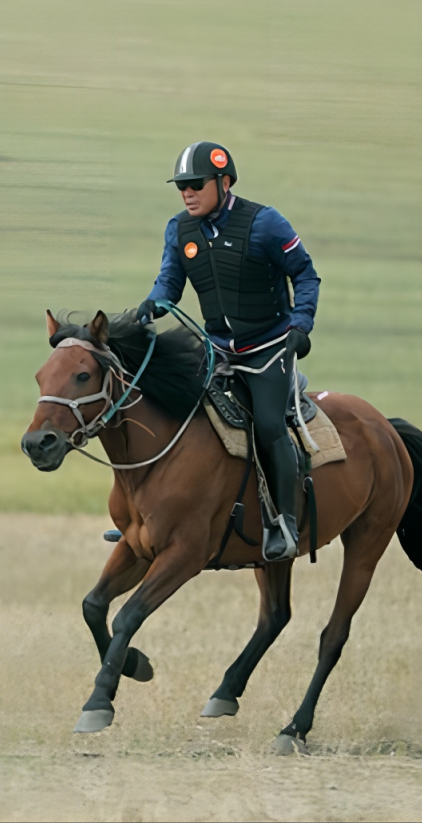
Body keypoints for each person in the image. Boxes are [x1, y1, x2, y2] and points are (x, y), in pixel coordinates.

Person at [137, 141, 320, 562]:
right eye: (181, 186)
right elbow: (169, 283)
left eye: (195, 184)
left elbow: (306, 276)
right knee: (165, 405)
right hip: (216, 349)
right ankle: (150, 514)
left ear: (223, 181)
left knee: (269, 424)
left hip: (269, 348)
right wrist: (151, 304)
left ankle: (284, 524)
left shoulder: (266, 223)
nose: (187, 193)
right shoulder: (179, 230)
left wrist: (300, 325)